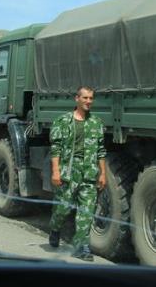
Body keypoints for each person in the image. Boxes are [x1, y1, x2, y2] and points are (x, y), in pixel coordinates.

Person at [48, 86, 107, 261]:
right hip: (68, 172)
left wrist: (103, 173)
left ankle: (81, 247)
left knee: (86, 211)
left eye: (91, 98)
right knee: (62, 208)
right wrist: (56, 171)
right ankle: (55, 228)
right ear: (77, 99)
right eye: (85, 98)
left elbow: (101, 151)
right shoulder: (63, 121)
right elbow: (55, 149)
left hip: (89, 172)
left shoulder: (96, 123)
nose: (89, 101)